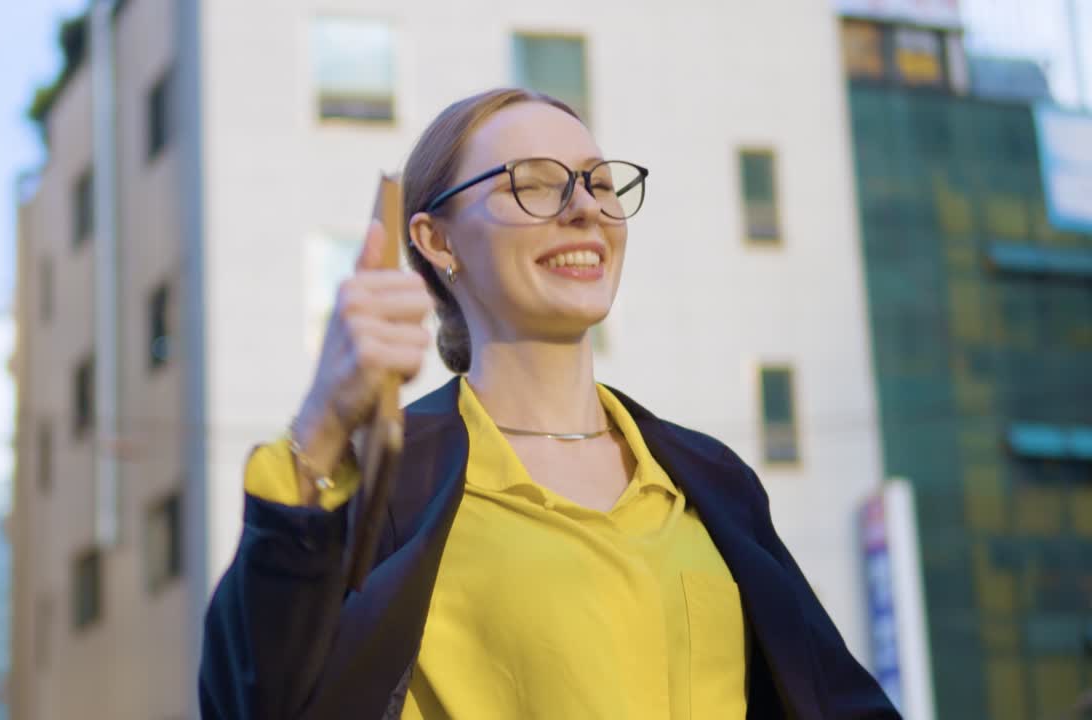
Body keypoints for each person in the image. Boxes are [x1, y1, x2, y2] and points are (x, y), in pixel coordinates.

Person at [198, 87, 899, 720]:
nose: (585, 208)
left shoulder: (710, 479)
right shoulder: (388, 480)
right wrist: (323, 421)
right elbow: (251, 700)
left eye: (600, 183)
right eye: (533, 185)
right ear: (437, 241)